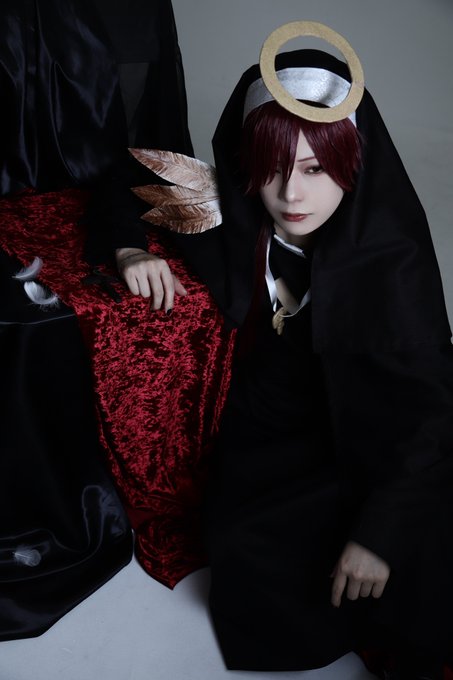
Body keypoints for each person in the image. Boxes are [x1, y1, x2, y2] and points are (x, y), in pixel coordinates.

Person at [120, 25, 453, 680]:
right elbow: (127, 177)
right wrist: (129, 248)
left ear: (351, 161)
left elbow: (431, 415)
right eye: (271, 169)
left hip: (379, 440)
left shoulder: (391, 263)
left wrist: (378, 535)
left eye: (314, 169)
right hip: (273, 437)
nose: (291, 195)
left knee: (414, 572)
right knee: (245, 552)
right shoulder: (232, 215)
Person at [0, 0, 219, 639]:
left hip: (112, 198)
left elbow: (149, 141)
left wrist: (125, 243)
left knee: (191, 297)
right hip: (23, 204)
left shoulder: (132, 15)